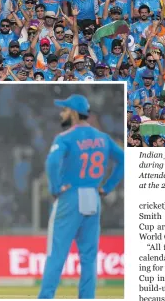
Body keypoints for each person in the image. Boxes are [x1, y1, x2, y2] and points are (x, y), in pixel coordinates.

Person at [38, 94, 124, 298]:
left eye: (65, 110)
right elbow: (123, 161)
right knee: (89, 258)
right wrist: (108, 187)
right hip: (93, 197)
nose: (62, 113)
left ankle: (45, 297)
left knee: (56, 254)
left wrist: (55, 188)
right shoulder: (103, 138)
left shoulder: (65, 137)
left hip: (70, 196)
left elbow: (51, 163)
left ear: (74, 113)